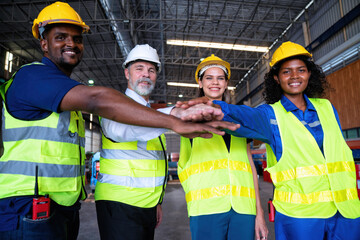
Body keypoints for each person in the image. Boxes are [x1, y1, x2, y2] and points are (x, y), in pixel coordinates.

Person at [0, 2, 239, 240]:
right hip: (27, 207)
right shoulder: (32, 78)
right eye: (60, 37)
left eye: (76, 38)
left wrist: (156, 200)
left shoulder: (68, 97)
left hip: (64, 208)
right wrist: (173, 118)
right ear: (43, 42)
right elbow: (99, 101)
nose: (71, 43)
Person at [181, 41, 360, 240]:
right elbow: (243, 114)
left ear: (309, 74)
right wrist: (213, 106)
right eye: (286, 72)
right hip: (301, 216)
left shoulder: (327, 107)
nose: (294, 76)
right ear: (276, 78)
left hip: (346, 211)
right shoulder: (270, 115)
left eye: (301, 70)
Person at [95, 44, 222, 240]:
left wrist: (157, 201)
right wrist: (173, 115)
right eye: (139, 69)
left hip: (148, 204)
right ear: (127, 73)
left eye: (151, 70)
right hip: (120, 203)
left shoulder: (152, 113)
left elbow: (154, 161)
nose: (146, 74)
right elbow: (123, 130)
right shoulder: (115, 104)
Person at [177, 54, 268, 240]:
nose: (215, 83)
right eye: (209, 78)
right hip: (206, 208)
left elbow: (250, 167)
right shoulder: (187, 118)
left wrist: (259, 214)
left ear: (226, 84)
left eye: (220, 78)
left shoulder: (239, 118)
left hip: (244, 208)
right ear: (200, 83)